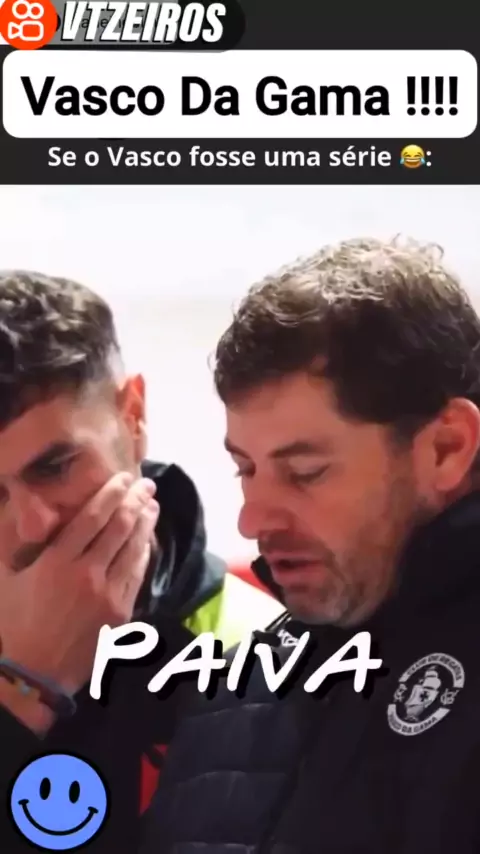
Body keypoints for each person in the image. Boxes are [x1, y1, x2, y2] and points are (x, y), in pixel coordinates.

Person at [142, 237, 480, 854]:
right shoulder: (232, 693)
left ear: (446, 448)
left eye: (305, 473)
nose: (252, 520)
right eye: (246, 469)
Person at [0, 271, 283, 853]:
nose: (32, 524)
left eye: (55, 467)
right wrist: (23, 690)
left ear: (132, 416)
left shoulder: (273, 646)